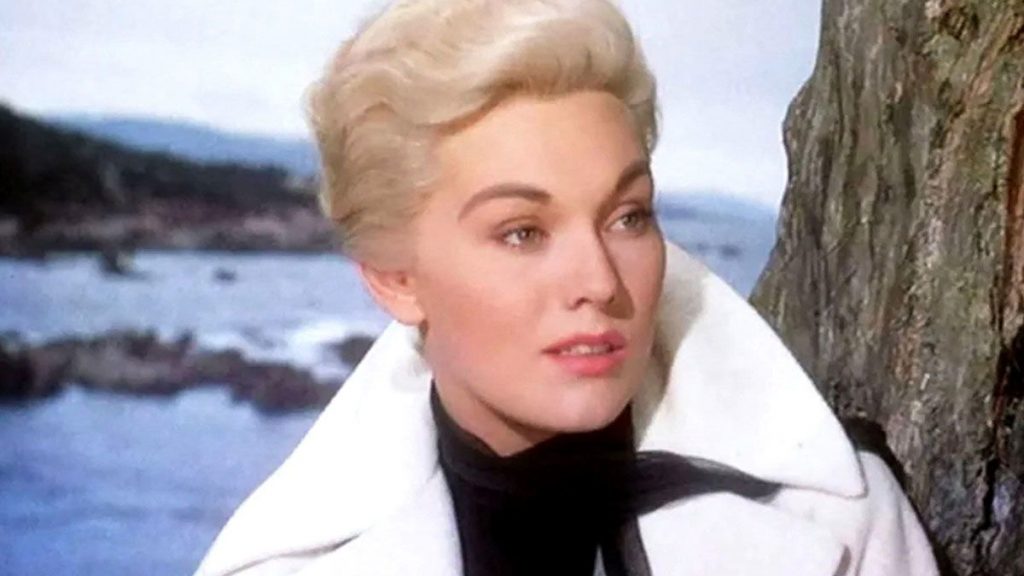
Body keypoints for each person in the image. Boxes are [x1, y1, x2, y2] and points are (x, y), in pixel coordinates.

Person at [195, 1, 940, 574]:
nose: (600, 282)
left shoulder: (840, 519)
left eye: (627, 216)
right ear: (394, 279)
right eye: (522, 232)